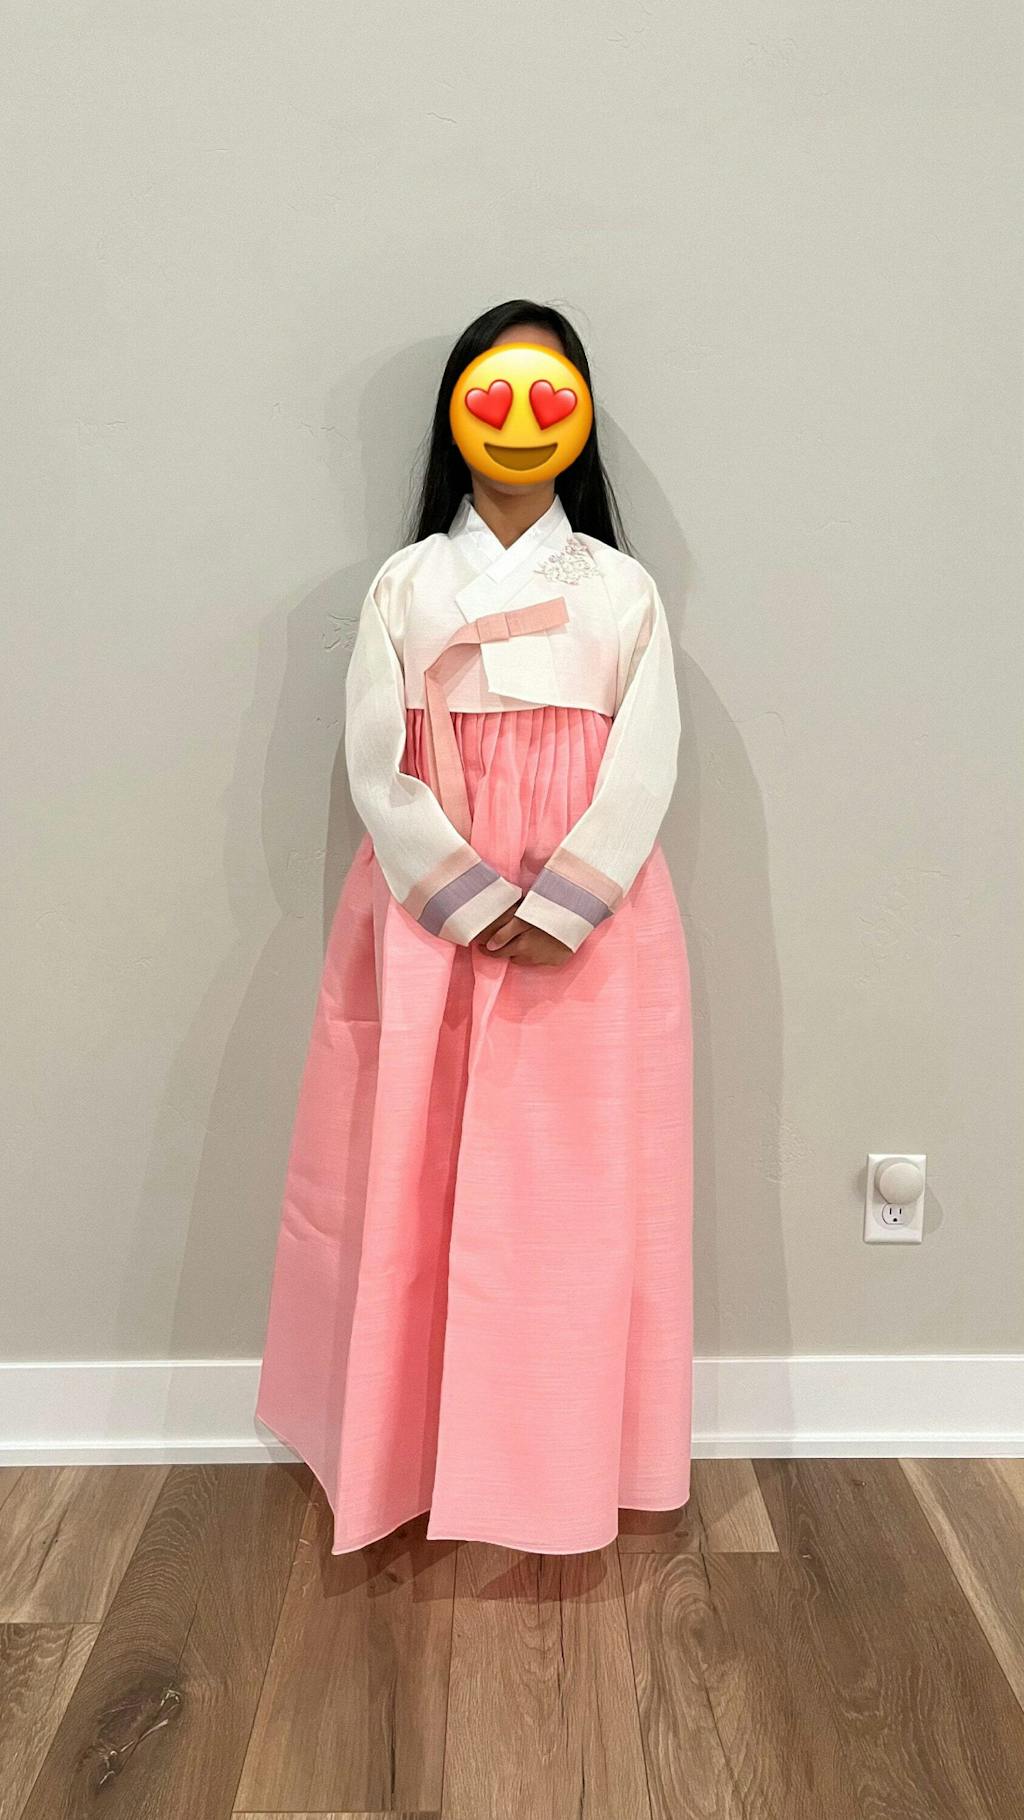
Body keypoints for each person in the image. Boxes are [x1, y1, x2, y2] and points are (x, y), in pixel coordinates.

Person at [254, 298, 694, 1556]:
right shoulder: (407, 585)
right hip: (427, 909)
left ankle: (555, 1461)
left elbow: (646, 754)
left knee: (570, 1191)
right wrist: (455, 886)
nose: (519, 421)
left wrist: (567, 899)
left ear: (581, 419)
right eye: (493, 395)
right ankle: (404, 1453)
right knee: (409, 1170)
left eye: (549, 397)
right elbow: (375, 755)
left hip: (585, 916)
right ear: (457, 411)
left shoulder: (619, 590)